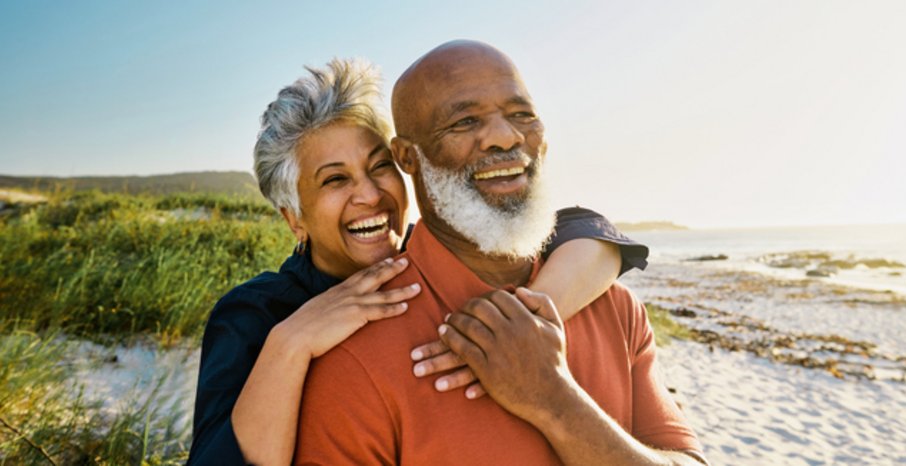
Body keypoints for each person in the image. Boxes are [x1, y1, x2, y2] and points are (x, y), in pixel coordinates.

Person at [188, 58, 648, 465]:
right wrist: (290, 343)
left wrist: (525, 319)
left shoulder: (436, 253)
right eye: (334, 180)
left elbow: (584, 229)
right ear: (294, 219)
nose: (369, 195)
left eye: (379, 166)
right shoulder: (256, 314)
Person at [294, 41, 707, 466]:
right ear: (406, 157)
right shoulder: (353, 359)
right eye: (465, 121)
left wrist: (553, 399)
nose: (505, 137)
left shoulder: (616, 309)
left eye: (522, 115)